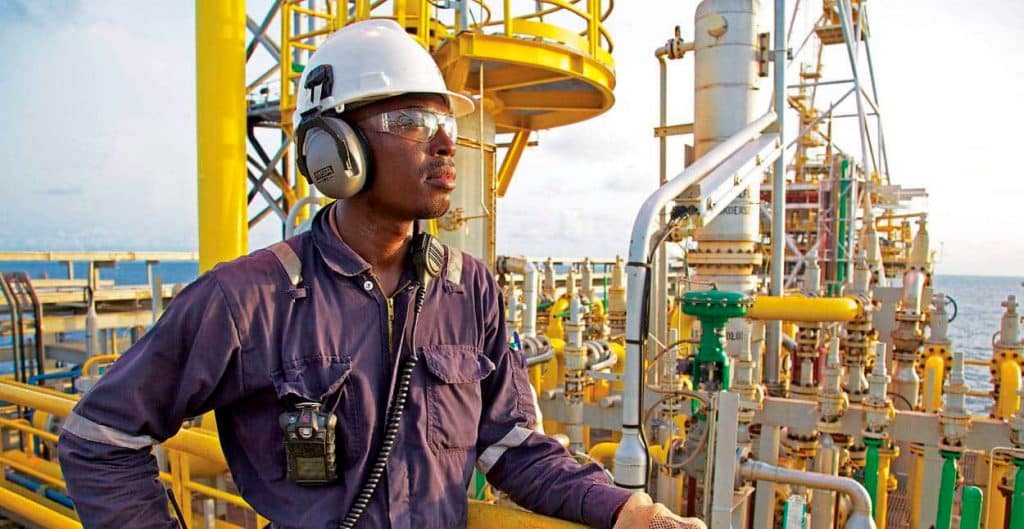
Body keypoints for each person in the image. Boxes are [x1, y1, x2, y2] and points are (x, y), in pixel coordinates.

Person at [57, 19, 706, 529]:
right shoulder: (248, 299)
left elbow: (511, 445)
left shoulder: (469, 288)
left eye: (445, 121)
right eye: (412, 122)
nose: (446, 142)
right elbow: (98, 439)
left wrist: (622, 507)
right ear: (333, 152)